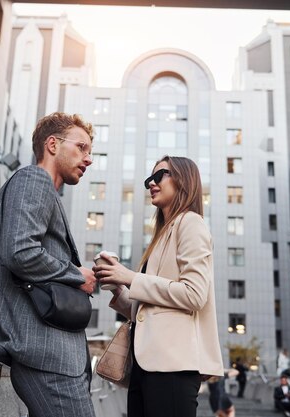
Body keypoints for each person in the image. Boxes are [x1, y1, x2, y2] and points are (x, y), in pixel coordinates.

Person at [0, 112, 97, 417]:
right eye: (81, 147)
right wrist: (75, 274)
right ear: (52, 145)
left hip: (47, 351)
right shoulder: (34, 179)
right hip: (44, 351)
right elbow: (19, 251)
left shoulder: (43, 189)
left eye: (89, 151)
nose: (88, 158)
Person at [93, 156, 224, 417]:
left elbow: (194, 294)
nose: (151, 183)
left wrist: (130, 277)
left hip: (172, 365)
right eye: (148, 180)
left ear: (183, 179)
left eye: (159, 175)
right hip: (146, 365)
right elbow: (150, 309)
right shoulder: (162, 235)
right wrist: (117, 286)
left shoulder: (191, 223)